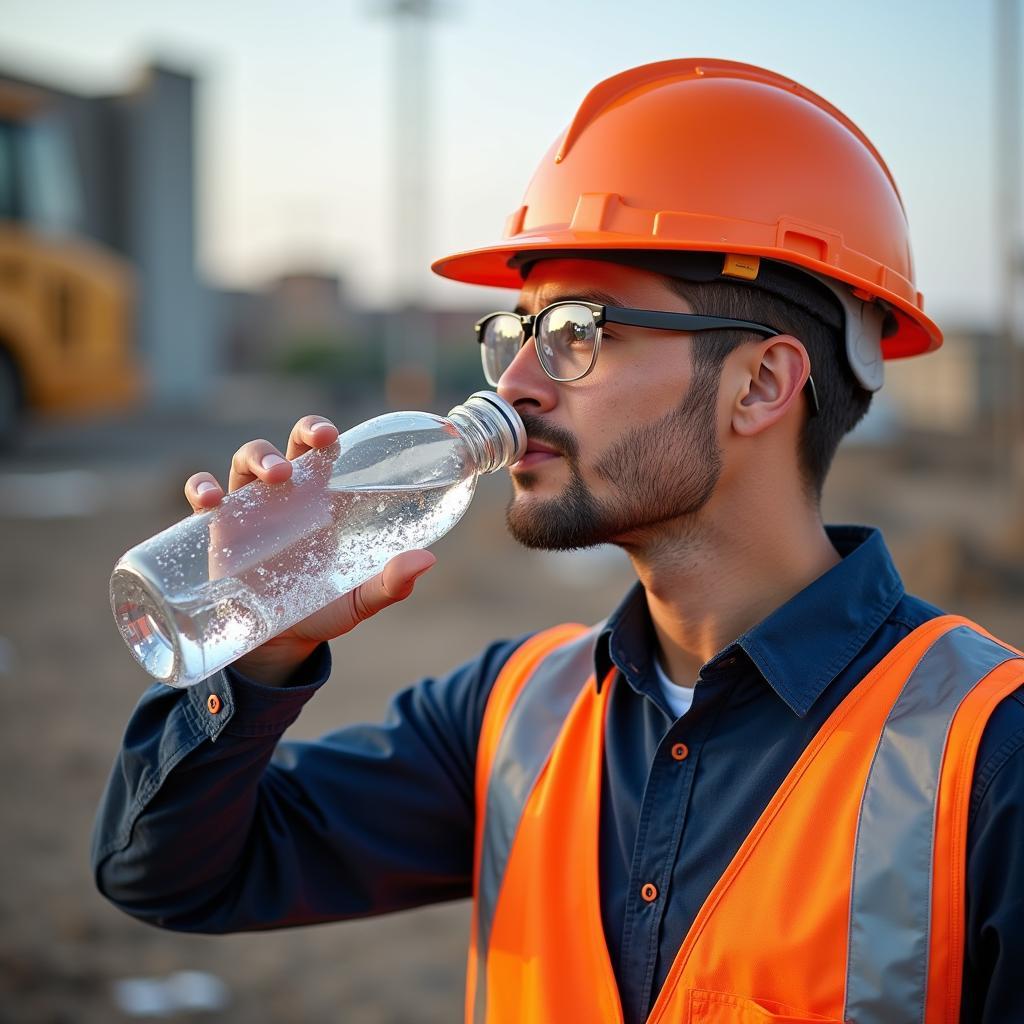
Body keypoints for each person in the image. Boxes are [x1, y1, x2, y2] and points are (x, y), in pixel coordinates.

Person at [92, 59, 1024, 1023]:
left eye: (581, 329)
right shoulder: (514, 714)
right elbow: (165, 876)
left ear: (760, 384)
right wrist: (259, 653)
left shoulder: (989, 756)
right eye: (518, 332)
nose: (518, 384)